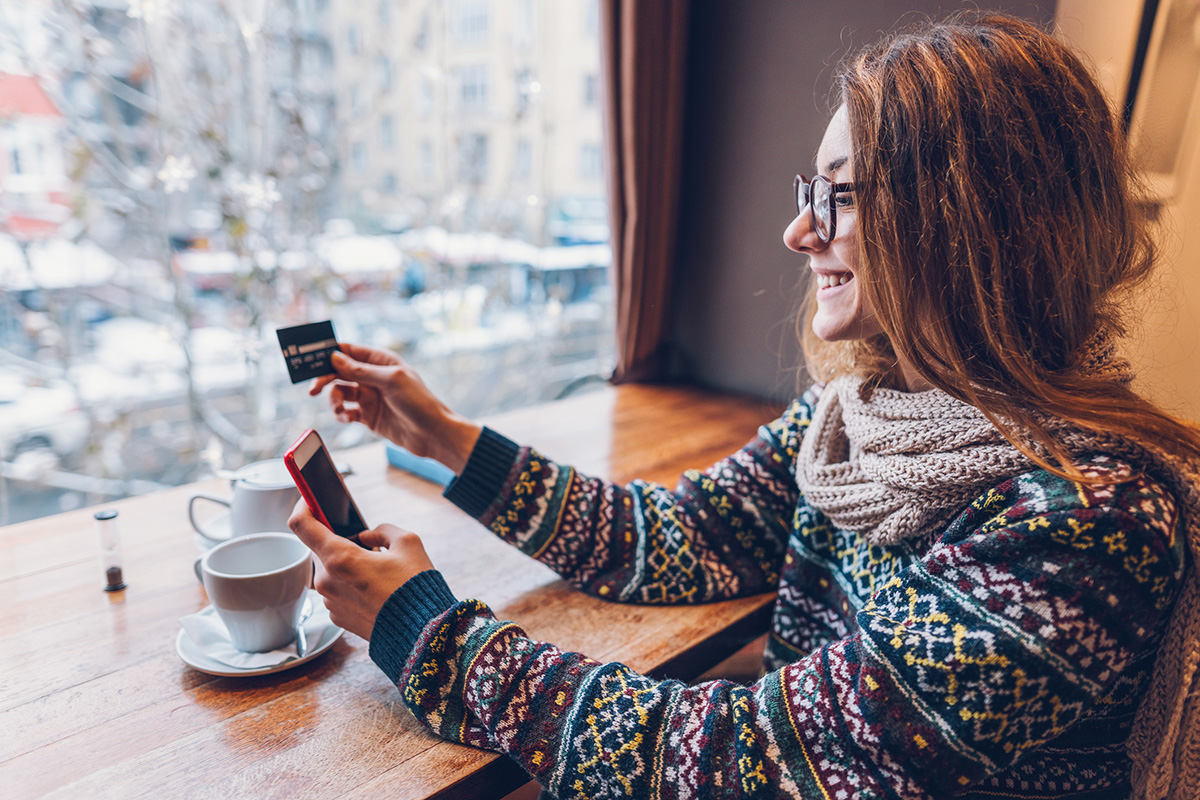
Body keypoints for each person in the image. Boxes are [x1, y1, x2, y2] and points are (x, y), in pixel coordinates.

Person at [289, 13, 1200, 800]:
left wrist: (426, 634)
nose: (799, 233)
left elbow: (765, 760)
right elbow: (677, 539)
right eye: (810, 195)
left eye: (836, 197)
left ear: (970, 218)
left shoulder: (1083, 523)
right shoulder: (863, 418)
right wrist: (444, 438)